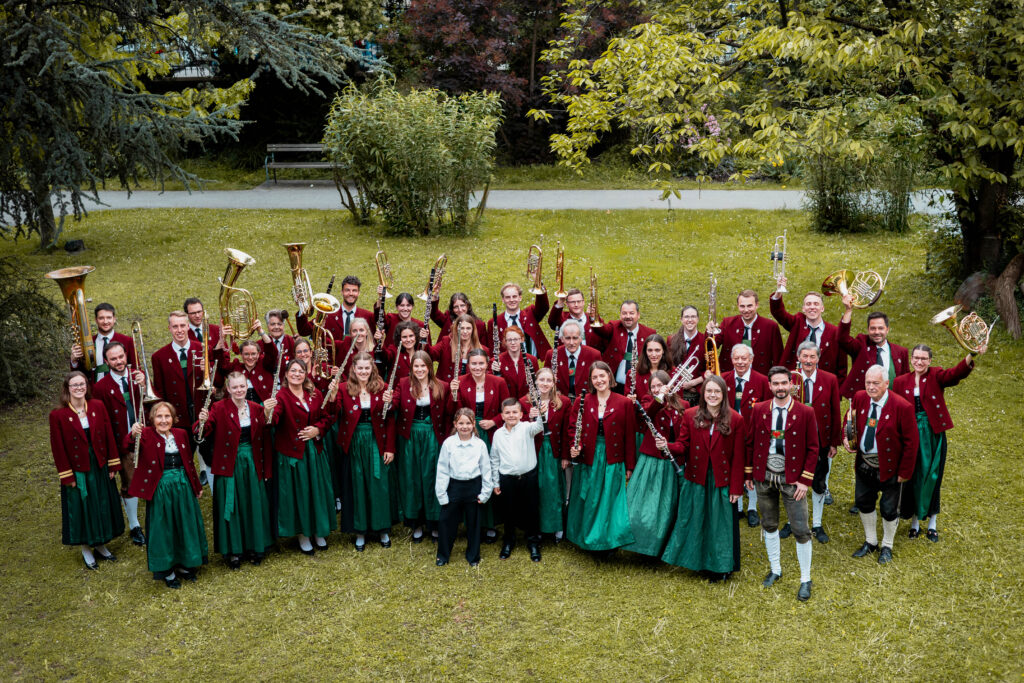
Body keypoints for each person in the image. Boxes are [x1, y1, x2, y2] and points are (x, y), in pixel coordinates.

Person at [893, 342, 983, 541]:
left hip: (932, 433)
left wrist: (971, 355)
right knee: (914, 476)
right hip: (910, 433)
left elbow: (955, 374)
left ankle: (932, 522)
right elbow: (895, 409)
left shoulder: (936, 375)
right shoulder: (900, 381)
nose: (919, 361)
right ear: (911, 359)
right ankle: (915, 521)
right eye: (916, 358)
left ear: (930, 361)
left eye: (923, 358)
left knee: (933, 475)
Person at [745, 366, 819, 601]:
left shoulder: (805, 412)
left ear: (791, 384)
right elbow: (750, 442)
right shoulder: (758, 409)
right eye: (775, 384)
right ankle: (775, 569)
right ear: (769, 385)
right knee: (769, 524)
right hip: (765, 478)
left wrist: (805, 481)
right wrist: (749, 473)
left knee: (800, 529)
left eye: (784, 383)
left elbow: (813, 448)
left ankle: (805, 578)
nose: (780, 388)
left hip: (792, 481)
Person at [661, 376, 746, 581]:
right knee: (697, 519)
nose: (712, 395)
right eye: (709, 391)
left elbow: (738, 457)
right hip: (697, 478)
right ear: (703, 393)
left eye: (717, 391)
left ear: (724, 394)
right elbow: (683, 446)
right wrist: (667, 446)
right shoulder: (690, 415)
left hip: (721, 480)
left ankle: (720, 567)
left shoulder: (735, 419)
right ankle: (698, 561)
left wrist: (735, 488)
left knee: (719, 524)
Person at [195, 372, 275, 569]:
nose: (239, 390)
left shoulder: (256, 408)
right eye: (235, 387)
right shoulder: (218, 407)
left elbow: (266, 433)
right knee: (233, 506)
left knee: (252, 503)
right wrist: (201, 421)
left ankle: (256, 547)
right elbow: (202, 431)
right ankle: (234, 551)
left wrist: (268, 413)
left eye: (242, 386)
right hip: (229, 463)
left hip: (252, 462)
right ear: (228, 389)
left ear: (246, 387)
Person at [127, 402, 207, 588]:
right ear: (152, 419)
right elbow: (128, 444)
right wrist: (133, 433)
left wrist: (196, 485)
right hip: (160, 488)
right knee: (165, 528)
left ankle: (185, 564)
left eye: (167, 416)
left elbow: (189, 462)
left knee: (184, 524)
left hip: (183, 485)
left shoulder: (181, 434)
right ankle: (168, 570)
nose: (164, 420)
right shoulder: (145, 434)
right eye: (159, 417)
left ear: (173, 418)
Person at [49, 372, 125, 569]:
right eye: (74, 385)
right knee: (83, 507)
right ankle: (85, 548)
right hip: (78, 470)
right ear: (67, 389)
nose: (79, 388)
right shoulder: (58, 415)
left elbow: (109, 435)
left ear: (86, 386)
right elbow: (58, 448)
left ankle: (100, 544)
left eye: (82, 384)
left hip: (99, 465)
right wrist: (67, 476)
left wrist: (113, 464)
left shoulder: (98, 406)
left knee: (101, 503)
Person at [848, 365, 918, 564]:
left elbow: (911, 443)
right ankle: (871, 542)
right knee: (864, 502)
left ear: (887, 384)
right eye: (868, 382)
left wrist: (905, 471)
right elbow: (852, 421)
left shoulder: (902, 407)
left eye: (876, 383)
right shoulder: (860, 397)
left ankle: (887, 545)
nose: (871, 387)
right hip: (864, 464)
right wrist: (849, 439)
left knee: (888, 509)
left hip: (890, 468)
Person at [566, 362, 636, 554]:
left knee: (609, 498)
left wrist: (630, 466)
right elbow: (573, 428)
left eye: (602, 376)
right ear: (591, 380)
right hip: (589, 455)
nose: (599, 380)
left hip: (613, 457)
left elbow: (630, 436)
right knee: (591, 497)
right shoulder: (583, 401)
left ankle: (608, 540)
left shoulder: (624, 402)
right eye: (595, 377)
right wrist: (575, 445)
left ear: (610, 377)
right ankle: (588, 538)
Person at [269, 358, 337, 555]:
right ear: (286, 374)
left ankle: (318, 531)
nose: (297, 374)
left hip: (313, 452)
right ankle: (303, 534)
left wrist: (317, 429)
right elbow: (273, 420)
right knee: (300, 494)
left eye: (301, 371)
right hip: (293, 455)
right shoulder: (281, 396)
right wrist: (268, 411)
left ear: (306, 374)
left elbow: (327, 417)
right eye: (293, 371)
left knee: (316, 491)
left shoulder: (314, 394)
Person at [779, 341, 841, 544]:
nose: (808, 360)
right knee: (791, 480)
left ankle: (816, 523)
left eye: (812, 356)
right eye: (804, 356)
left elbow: (834, 411)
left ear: (818, 358)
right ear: (798, 357)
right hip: (794, 439)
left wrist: (834, 442)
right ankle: (791, 520)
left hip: (820, 439)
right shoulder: (790, 378)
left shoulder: (830, 379)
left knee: (819, 482)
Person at [622, 371, 688, 558]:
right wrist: (659, 398)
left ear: (669, 385)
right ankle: (638, 544)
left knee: (666, 508)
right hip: (651, 460)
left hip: (672, 461)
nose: (656, 389)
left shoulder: (684, 405)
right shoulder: (647, 402)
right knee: (641, 505)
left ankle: (660, 547)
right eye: (653, 387)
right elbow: (646, 416)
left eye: (660, 385)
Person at [336, 353, 397, 551]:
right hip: (354, 442)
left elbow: (390, 419)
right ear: (353, 368)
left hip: (376, 440)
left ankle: (382, 529)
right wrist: (330, 394)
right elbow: (333, 411)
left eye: (366, 368)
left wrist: (389, 448)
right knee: (358, 485)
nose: (363, 372)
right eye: (359, 368)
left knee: (378, 485)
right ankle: (360, 531)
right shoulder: (343, 389)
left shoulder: (383, 388)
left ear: (372, 369)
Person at [390, 350, 452, 543]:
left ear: (429, 367)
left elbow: (450, 412)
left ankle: (434, 523)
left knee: (432, 476)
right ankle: (415, 522)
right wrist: (387, 401)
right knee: (412, 477)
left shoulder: (442, 386)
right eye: (416, 366)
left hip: (432, 436)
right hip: (410, 437)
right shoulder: (403, 383)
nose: (419, 369)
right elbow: (394, 406)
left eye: (423, 366)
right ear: (411, 368)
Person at [91, 342, 148, 545]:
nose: (119, 361)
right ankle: (134, 525)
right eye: (113, 359)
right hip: (122, 441)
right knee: (130, 483)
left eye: (121, 357)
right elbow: (100, 422)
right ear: (106, 362)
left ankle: (155, 519)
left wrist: (146, 385)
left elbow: (155, 403)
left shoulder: (138, 376)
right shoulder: (100, 387)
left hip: (148, 437)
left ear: (126, 356)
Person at [452, 348, 509, 542]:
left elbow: (508, 409)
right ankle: (471, 522)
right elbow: (455, 409)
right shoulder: (460, 382)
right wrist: (453, 394)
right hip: (468, 434)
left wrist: (494, 421)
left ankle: (491, 523)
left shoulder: (498, 382)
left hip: (491, 434)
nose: (477, 367)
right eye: (473, 364)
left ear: (487, 364)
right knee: (470, 475)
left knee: (490, 475)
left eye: (481, 363)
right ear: (468, 365)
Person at [720, 343, 771, 527]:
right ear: (731, 359)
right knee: (734, 466)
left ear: (751, 360)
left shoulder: (762, 381)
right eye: (736, 358)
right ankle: (738, 506)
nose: (740, 362)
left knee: (752, 469)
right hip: (729, 433)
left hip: (753, 433)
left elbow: (767, 409)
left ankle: (752, 507)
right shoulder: (723, 379)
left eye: (744, 358)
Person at [435, 409, 493, 566]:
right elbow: (442, 469)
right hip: (454, 486)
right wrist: (442, 494)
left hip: (473, 486)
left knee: (474, 523)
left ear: (474, 424)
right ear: (455, 424)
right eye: (461, 423)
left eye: (468, 423)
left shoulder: (479, 445)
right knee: (446, 522)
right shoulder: (449, 443)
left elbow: (486, 469)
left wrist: (485, 493)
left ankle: (473, 556)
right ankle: (443, 555)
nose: (464, 426)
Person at [489, 398, 545, 561]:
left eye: (515, 412)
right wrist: (496, 482)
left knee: (531, 511)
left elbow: (540, 426)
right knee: (508, 511)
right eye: (507, 412)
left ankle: (533, 543)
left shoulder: (528, 428)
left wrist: (541, 413)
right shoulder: (498, 434)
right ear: (502, 415)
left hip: (528, 477)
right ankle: (508, 541)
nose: (511, 415)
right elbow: (494, 459)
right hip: (507, 478)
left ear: (521, 414)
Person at [518, 367, 569, 544]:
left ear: (554, 383)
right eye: (542, 380)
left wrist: (565, 456)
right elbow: (517, 429)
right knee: (534, 489)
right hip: (533, 449)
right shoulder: (524, 402)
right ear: (535, 382)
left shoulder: (562, 402)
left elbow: (565, 431)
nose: (545, 384)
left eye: (549, 381)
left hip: (553, 450)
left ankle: (556, 527)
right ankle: (536, 527)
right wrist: (528, 418)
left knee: (553, 489)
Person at [770, 279, 847, 383]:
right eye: (808, 304)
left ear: (822, 308)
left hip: (822, 382)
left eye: (816, 304)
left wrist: (836, 390)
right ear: (803, 308)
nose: (812, 307)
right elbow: (778, 312)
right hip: (795, 381)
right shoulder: (797, 323)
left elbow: (842, 366)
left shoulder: (834, 332)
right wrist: (779, 291)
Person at [838, 295, 910, 398]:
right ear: (868, 329)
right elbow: (842, 339)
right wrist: (848, 310)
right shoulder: (861, 344)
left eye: (880, 328)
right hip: (864, 402)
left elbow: (906, 381)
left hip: (891, 403)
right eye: (873, 328)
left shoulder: (901, 352)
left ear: (887, 329)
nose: (877, 332)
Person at [707, 289, 783, 375]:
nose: (746, 310)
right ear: (737, 306)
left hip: (759, 378)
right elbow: (711, 348)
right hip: (730, 377)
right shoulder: (728, 323)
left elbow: (778, 358)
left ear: (757, 305)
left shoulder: (770, 326)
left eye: (749, 306)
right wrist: (709, 333)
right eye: (742, 306)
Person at [591, 300, 656, 394]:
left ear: (638, 315)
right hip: (614, 385)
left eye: (631, 313)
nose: (628, 316)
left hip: (637, 385)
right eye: (624, 313)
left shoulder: (649, 333)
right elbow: (602, 329)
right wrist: (594, 317)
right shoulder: (614, 327)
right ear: (620, 315)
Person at [69, 302, 135, 384]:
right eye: (101, 318)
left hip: (121, 391)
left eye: (109, 317)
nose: (105, 321)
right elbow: (81, 374)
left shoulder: (127, 341)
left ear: (114, 319)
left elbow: (134, 369)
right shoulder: (87, 343)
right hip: (95, 391)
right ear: (96, 320)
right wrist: (74, 362)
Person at [214, 323, 279, 404]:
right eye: (246, 354)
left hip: (264, 410)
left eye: (253, 354)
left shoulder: (265, 365)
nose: (250, 357)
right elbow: (220, 364)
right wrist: (222, 338)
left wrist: (260, 331)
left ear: (258, 354)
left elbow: (272, 352)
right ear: (241, 354)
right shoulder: (236, 367)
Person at [296, 275, 374, 339]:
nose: (351, 293)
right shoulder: (328, 314)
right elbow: (304, 331)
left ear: (358, 293)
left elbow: (373, 341)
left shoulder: (368, 316)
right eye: (347, 290)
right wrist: (302, 305)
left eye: (354, 290)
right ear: (342, 292)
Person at [486, 282, 551, 358]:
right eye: (507, 297)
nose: (511, 300)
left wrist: (538, 282)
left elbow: (544, 306)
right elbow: (493, 349)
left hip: (531, 363)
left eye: (514, 296)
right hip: (508, 365)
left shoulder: (530, 314)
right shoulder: (494, 322)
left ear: (520, 297)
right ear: (503, 299)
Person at [542, 320, 601, 403]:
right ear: (562, 339)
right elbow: (545, 380)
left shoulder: (594, 355)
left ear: (581, 338)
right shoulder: (551, 354)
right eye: (568, 338)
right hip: (559, 402)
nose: (571, 342)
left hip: (585, 402)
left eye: (575, 338)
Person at [666, 305, 707, 404]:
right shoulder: (671, 340)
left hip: (697, 393)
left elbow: (711, 370)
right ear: (681, 319)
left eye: (693, 317)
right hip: (676, 390)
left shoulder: (705, 341)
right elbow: (668, 365)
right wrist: (682, 383)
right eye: (686, 317)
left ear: (698, 319)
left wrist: (693, 383)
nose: (690, 320)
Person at [429, 314, 486, 384]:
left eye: (468, 328)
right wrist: (424, 339)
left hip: (469, 390)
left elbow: (487, 373)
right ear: (456, 329)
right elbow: (431, 354)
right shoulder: (446, 342)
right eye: (462, 328)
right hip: (446, 389)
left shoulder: (482, 349)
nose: (465, 331)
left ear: (473, 330)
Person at [546, 287, 606, 351]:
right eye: (572, 302)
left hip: (591, 358)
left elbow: (604, 333)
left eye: (579, 301)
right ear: (567, 304)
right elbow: (552, 322)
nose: (576, 305)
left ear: (583, 302)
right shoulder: (563, 318)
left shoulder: (592, 319)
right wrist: (560, 301)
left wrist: (593, 317)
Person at [495, 325, 539, 400]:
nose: (513, 343)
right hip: (507, 403)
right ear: (505, 341)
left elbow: (536, 383)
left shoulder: (532, 359)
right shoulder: (496, 361)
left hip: (527, 402)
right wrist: (494, 371)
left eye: (516, 339)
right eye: (509, 340)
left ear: (522, 340)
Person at [262, 309, 296, 375]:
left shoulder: (292, 342)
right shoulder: (260, 344)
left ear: (283, 325)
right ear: (267, 326)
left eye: (279, 324)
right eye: (272, 324)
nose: (276, 327)